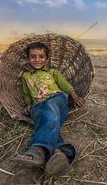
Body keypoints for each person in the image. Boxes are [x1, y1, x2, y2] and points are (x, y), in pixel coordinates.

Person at [14, 42, 84, 176]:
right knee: (45, 118)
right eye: (33, 57)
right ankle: (61, 153)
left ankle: (39, 149)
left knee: (50, 110)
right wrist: (28, 105)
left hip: (57, 100)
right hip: (38, 105)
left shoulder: (53, 72)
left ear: (47, 59)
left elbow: (65, 85)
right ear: (28, 59)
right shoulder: (26, 77)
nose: (37, 60)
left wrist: (75, 97)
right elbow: (26, 94)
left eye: (41, 56)